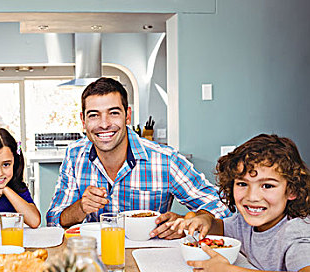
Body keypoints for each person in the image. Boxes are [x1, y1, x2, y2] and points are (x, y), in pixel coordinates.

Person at [169, 134, 310, 272]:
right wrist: (205, 220)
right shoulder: (245, 222)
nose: (252, 197)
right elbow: (221, 229)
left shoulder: (299, 231)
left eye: (267, 185)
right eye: (242, 184)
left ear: (292, 190)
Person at [46, 77, 230, 236]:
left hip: (151, 258)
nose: (104, 124)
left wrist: (184, 221)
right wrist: (80, 208)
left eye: (114, 113)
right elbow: (54, 220)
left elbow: (222, 207)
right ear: (83, 121)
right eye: (94, 115)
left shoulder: (165, 160)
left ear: (128, 116)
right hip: (95, 256)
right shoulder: (75, 156)